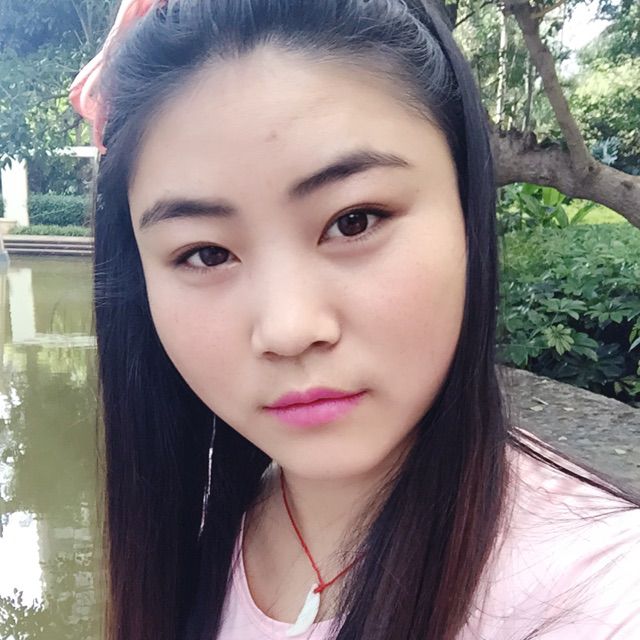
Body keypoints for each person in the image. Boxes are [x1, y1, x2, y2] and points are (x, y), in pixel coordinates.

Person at [69, 1, 640, 639]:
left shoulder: (599, 593)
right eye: (205, 253)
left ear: (467, 207)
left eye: (353, 221)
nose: (288, 330)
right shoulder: (203, 528)